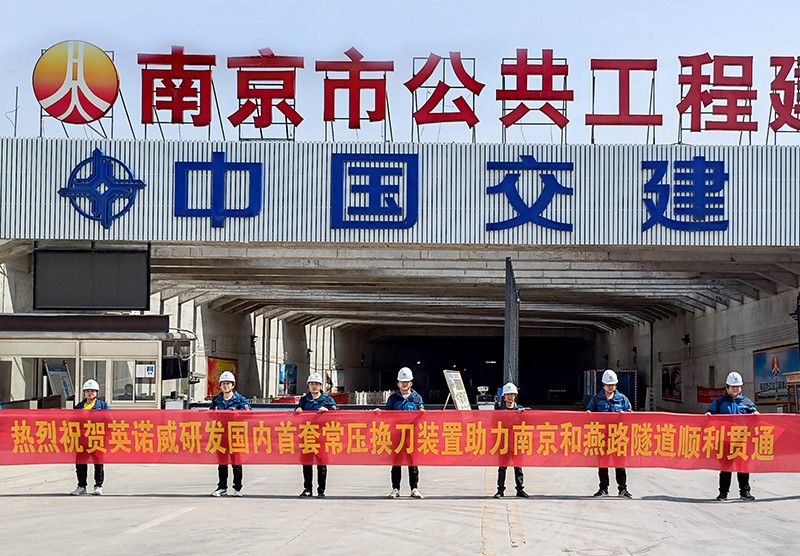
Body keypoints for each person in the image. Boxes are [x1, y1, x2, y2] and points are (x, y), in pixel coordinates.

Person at [706, 371, 758, 501]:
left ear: (741, 387)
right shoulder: (719, 402)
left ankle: (745, 492)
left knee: (743, 467)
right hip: (724, 440)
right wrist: (709, 415)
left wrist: (756, 415)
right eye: (733, 386)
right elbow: (710, 414)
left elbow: (755, 416)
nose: (735, 389)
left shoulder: (747, 402)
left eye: (738, 386)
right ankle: (723, 493)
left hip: (742, 440)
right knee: (725, 468)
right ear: (727, 387)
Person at [586, 369, 633, 499]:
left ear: (616, 385)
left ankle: (623, 489)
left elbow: (630, 413)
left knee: (620, 464)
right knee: (603, 464)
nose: (610, 387)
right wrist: (589, 414)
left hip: (618, 437)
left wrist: (625, 414)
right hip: (602, 437)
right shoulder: (596, 399)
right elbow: (589, 411)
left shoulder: (622, 398)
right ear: (603, 385)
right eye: (608, 385)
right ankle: (603, 489)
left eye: (612, 385)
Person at [295, 372, 338, 498]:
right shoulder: (304, 400)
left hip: (322, 437)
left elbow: (337, 414)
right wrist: (298, 410)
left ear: (321, 385)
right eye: (312, 384)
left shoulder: (327, 399)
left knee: (322, 464)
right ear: (308, 385)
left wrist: (328, 410)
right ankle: (307, 489)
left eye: (317, 384)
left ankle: (321, 490)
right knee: (307, 463)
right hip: (307, 435)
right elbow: (296, 413)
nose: (314, 386)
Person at [209, 371, 251, 497]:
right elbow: (210, 415)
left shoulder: (240, 400)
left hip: (235, 435)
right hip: (221, 434)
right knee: (222, 463)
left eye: (228, 383)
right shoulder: (216, 400)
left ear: (233, 385)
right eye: (223, 383)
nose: (226, 386)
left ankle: (237, 488)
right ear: (220, 385)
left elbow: (249, 414)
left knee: (236, 463)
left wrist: (238, 413)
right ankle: (222, 487)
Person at [385, 366, 424, 499]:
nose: (404, 384)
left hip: (411, 437)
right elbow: (386, 416)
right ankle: (395, 489)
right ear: (398, 383)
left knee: (413, 463)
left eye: (407, 382)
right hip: (396, 436)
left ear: (411, 383)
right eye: (402, 382)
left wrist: (422, 413)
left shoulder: (417, 398)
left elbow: (422, 417)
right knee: (396, 463)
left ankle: (414, 488)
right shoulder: (393, 399)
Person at [71, 379, 110, 496]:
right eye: (87, 391)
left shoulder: (103, 406)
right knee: (80, 464)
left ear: (97, 392)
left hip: (97, 439)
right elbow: (73, 422)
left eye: (92, 391)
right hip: (82, 440)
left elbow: (110, 421)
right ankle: (81, 486)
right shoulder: (79, 407)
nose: (90, 393)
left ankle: (98, 486)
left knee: (98, 463)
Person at [493, 382, 529, 498]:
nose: (510, 397)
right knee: (502, 467)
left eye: (512, 394)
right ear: (504, 396)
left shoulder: (520, 409)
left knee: (518, 467)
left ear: (515, 396)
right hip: (503, 442)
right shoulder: (499, 410)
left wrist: (523, 415)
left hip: (516, 442)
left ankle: (520, 489)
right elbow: (493, 424)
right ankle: (500, 490)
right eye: (507, 395)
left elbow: (527, 425)